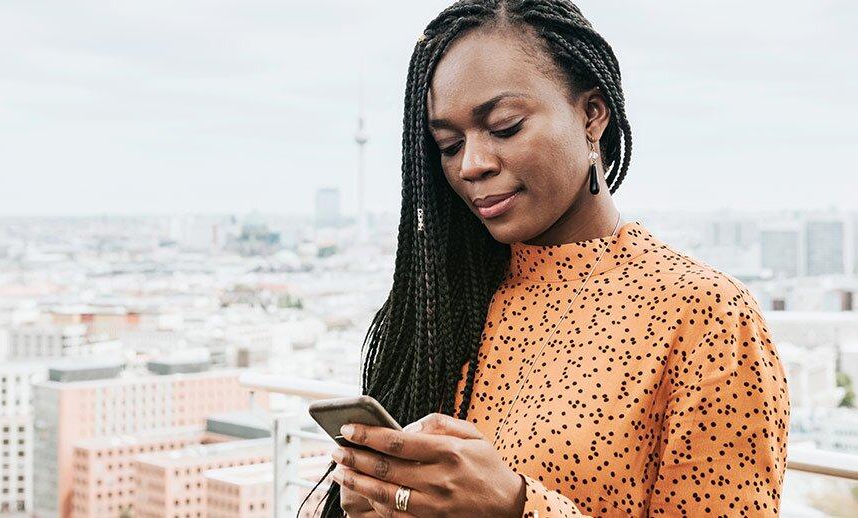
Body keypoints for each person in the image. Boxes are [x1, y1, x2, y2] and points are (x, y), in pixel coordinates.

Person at [307, 0, 790, 516]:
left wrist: (518, 508)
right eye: (448, 145)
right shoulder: (445, 298)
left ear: (592, 115)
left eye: (505, 126)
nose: (471, 165)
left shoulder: (704, 316)